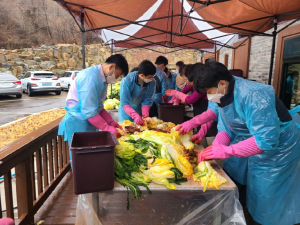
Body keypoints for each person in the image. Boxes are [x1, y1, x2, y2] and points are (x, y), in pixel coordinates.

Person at [196, 62, 300, 225]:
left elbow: (266, 139)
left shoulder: (254, 95)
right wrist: (217, 146)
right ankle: (250, 216)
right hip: (257, 141)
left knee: (269, 193)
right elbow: (226, 126)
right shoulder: (224, 93)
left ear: (222, 83)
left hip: (280, 148)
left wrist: (228, 150)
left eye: (209, 92)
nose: (209, 97)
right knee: (251, 185)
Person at [58, 54, 129, 166]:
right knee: (80, 160)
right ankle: (82, 181)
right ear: (111, 67)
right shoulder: (90, 77)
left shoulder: (103, 79)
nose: (116, 79)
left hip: (88, 120)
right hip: (77, 121)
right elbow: (89, 111)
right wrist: (107, 128)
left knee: (90, 156)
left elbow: (99, 106)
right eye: (118, 75)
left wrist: (111, 122)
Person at [167, 63, 218, 145]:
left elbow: (211, 113)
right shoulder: (213, 92)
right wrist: (201, 133)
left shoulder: (209, 88)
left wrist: (177, 94)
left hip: (221, 133)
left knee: (212, 139)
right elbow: (211, 113)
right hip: (206, 119)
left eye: (186, 79)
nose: (185, 82)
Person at [119, 60, 156, 124]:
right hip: (126, 112)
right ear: (142, 75)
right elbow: (124, 102)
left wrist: (145, 113)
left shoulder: (152, 82)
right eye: (150, 77)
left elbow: (148, 99)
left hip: (139, 110)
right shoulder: (127, 80)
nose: (152, 79)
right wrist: (134, 115)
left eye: (153, 77)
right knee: (126, 130)